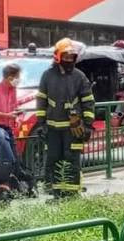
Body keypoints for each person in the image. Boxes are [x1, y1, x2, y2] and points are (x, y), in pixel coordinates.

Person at [36, 38, 95, 198]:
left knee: (71, 159)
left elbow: (88, 102)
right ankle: (57, 193)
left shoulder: (79, 76)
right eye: (66, 57)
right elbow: (41, 101)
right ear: (58, 56)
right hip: (52, 129)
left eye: (71, 57)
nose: (69, 60)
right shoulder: (47, 76)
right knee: (53, 159)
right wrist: (41, 124)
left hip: (73, 129)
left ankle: (72, 193)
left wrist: (88, 125)